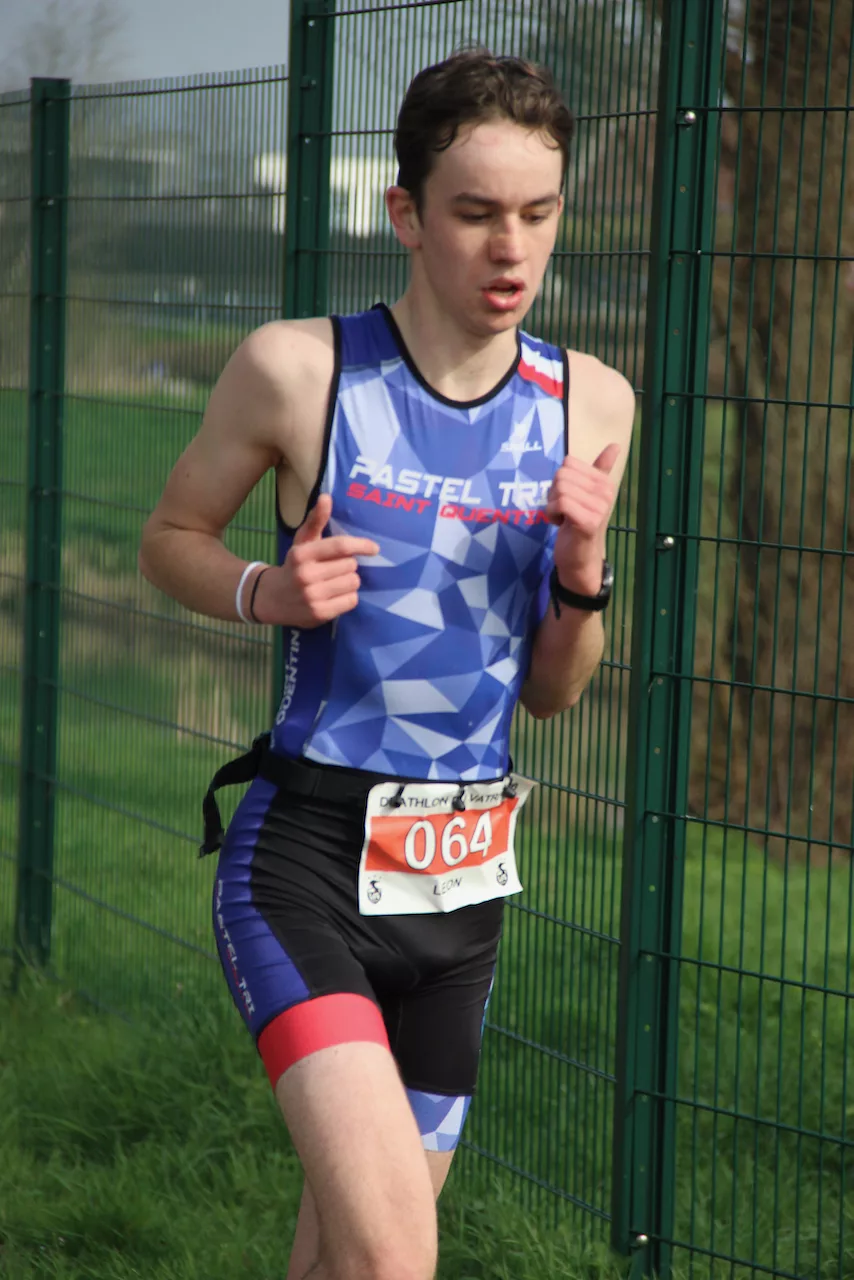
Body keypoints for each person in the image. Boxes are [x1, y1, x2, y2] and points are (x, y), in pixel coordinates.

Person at [139, 48, 634, 1280]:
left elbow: (553, 689)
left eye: (537, 213)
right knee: (394, 1257)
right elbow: (170, 537)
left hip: (459, 896)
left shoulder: (589, 403)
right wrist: (264, 590)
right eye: (474, 213)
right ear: (404, 213)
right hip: (304, 865)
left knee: (344, 1262)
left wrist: (582, 569)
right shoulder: (299, 369)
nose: (510, 249)